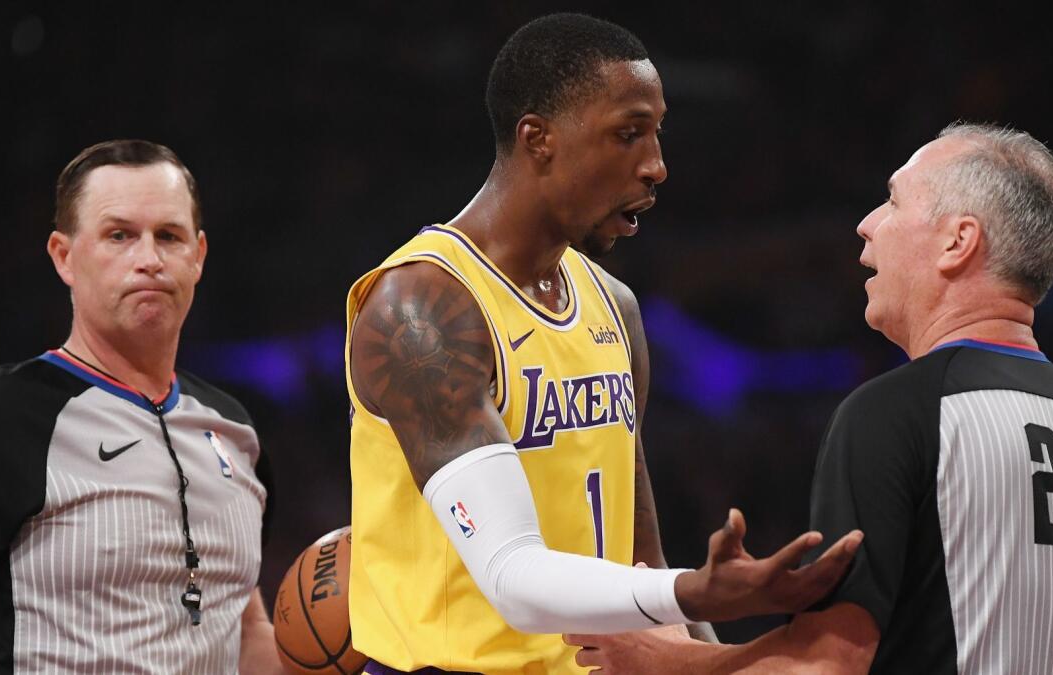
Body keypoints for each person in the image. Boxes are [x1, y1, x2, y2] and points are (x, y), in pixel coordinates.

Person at [344, 13, 862, 675]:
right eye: (628, 134)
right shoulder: (424, 309)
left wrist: (705, 646)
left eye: (656, 134)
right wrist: (692, 590)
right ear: (539, 140)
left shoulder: (614, 307)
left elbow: (636, 556)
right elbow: (510, 574)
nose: (657, 167)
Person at [566, 123, 1053, 674]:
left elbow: (827, 666)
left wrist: (669, 660)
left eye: (894, 201)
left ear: (959, 242)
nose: (867, 223)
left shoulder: (895, 415)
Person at [0, 140, 283, 674]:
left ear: (199, 255)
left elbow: (245, 628)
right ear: (64, 257)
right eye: (120, 236)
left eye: (169, 236)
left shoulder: (234, 430)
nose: (149, 260)